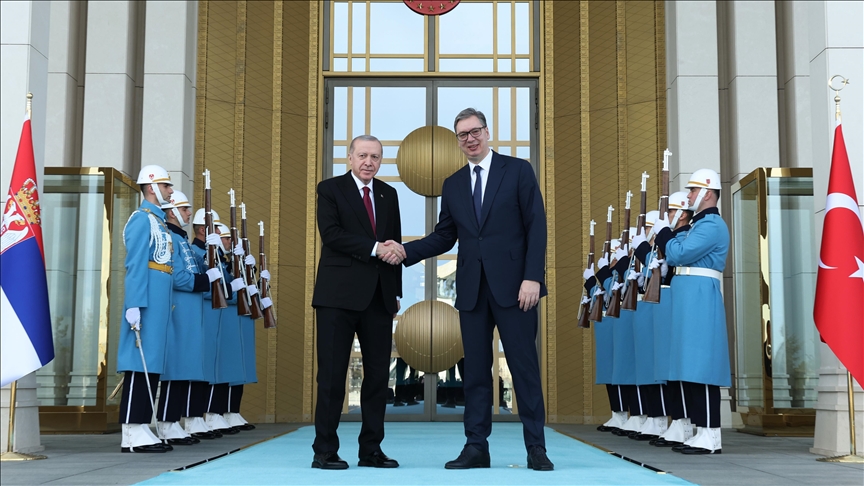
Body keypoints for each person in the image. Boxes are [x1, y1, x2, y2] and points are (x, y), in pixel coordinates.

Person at [391, 108, 553, 471]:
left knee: (524, 369)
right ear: (458, 140)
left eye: (474, 131)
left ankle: (536, 449)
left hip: (516, 290)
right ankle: (476, 447)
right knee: (476, 374)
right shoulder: (453, 184)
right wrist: (405, 251)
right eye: (462, 134)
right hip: (472, 292)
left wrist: (533, 278)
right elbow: (445, 235)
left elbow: (536, 226)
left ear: (487, 132)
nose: (470, 139)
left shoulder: (518, 170)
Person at [310, 134, 403, 470]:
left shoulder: (388, 194)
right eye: (362, 155)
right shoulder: (330, 189)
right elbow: (331, 234)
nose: (369, 162)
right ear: (349, 157)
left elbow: (394, 244)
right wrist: (375, 247)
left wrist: (395, 294)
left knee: (379, 376)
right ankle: (324, 451)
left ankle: (371, 450)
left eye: (375, 157)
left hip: (379, 298)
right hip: (337, 297)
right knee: (332, 377)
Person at [652, 168, 730, 455]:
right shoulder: (700, 225)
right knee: (687, 364)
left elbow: (679, 253)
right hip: (690, 294)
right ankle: (698, 428)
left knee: (701, 365)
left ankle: (710, 434)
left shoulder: (710, 225)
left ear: (708, 193)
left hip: (699, 293)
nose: (689, 195)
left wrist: (663, 235)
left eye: (693, 191)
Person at [156, 191, 222, 446]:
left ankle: (175, 420)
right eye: (184, 210)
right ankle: (167, 421)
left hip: (191, 311)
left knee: (187, 368)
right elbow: (178, 276)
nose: (187, 214)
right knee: (176, 368)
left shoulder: (181, 239)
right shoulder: (172, 238)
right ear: (172, 211)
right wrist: (207, 279)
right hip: (179, 310)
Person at [117, 165, 174, 453]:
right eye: (166, 186)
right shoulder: (141, 220)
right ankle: (131, 429)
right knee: (139, 363)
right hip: (147, 299)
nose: (170, 190)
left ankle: (141, 425)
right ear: (152, 187)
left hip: (159, 300)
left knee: (151, 363)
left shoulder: (159, 221)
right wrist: (135, 304)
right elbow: (135, 264)